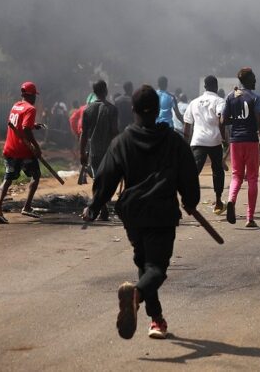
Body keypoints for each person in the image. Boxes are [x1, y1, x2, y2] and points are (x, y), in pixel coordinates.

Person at [81, 85, 200, 340]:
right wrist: (190, 200)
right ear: (159, 110)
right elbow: (188, 174)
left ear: (133, 111)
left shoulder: (122, 141)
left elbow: (106, 177)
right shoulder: (173, 141)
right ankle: (136, 296)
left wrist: (95, 205)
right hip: (162, 213)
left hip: (133, 214)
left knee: (145, 265)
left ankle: (156, 319)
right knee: (156, 269)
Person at [222, 68, 260, 227]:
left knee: (236, 176)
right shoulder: (256, 98)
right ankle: (250, 218)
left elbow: (223, 121)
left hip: (235, 141)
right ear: (248, 80)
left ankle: (231, 200)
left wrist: (237, 121)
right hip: (251, 141)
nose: (256, 81)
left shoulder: (230, 96)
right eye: (254, 78)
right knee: (252, 178)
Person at [0, 82, 45, 224]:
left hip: (10, 149)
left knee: (7, 179)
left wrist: (34, 125)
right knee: (36, 175)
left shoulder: (16, 106)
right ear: (32, 95)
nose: (35, 98)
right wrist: (36, 146)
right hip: (24, 151)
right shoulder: (31, 109)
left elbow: (21, 125)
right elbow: (25, 130)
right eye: (34, 95)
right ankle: (27, 207)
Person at [183, 75, 226, 214]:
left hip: (198, 141)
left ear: (205, 87)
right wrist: (224, 137)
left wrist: (185, 142)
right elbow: (222, 119)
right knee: (217, 171)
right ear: (216, 87)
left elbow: (187, 123)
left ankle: (188, 200)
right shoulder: (219, 101)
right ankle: (218, 201)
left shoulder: (194, 102)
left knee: (194, 172)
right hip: (215, 141)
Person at [80, 80, 119, 220]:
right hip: (109, 151)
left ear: (94, 92)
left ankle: (102, 208)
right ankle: (103, 208)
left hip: (94, 151)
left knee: (97, 179)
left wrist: (81, 153)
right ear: (106, 91)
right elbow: (114, 131)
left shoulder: (87, 110)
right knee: (107, 180)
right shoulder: (112, 109)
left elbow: (83, 134)